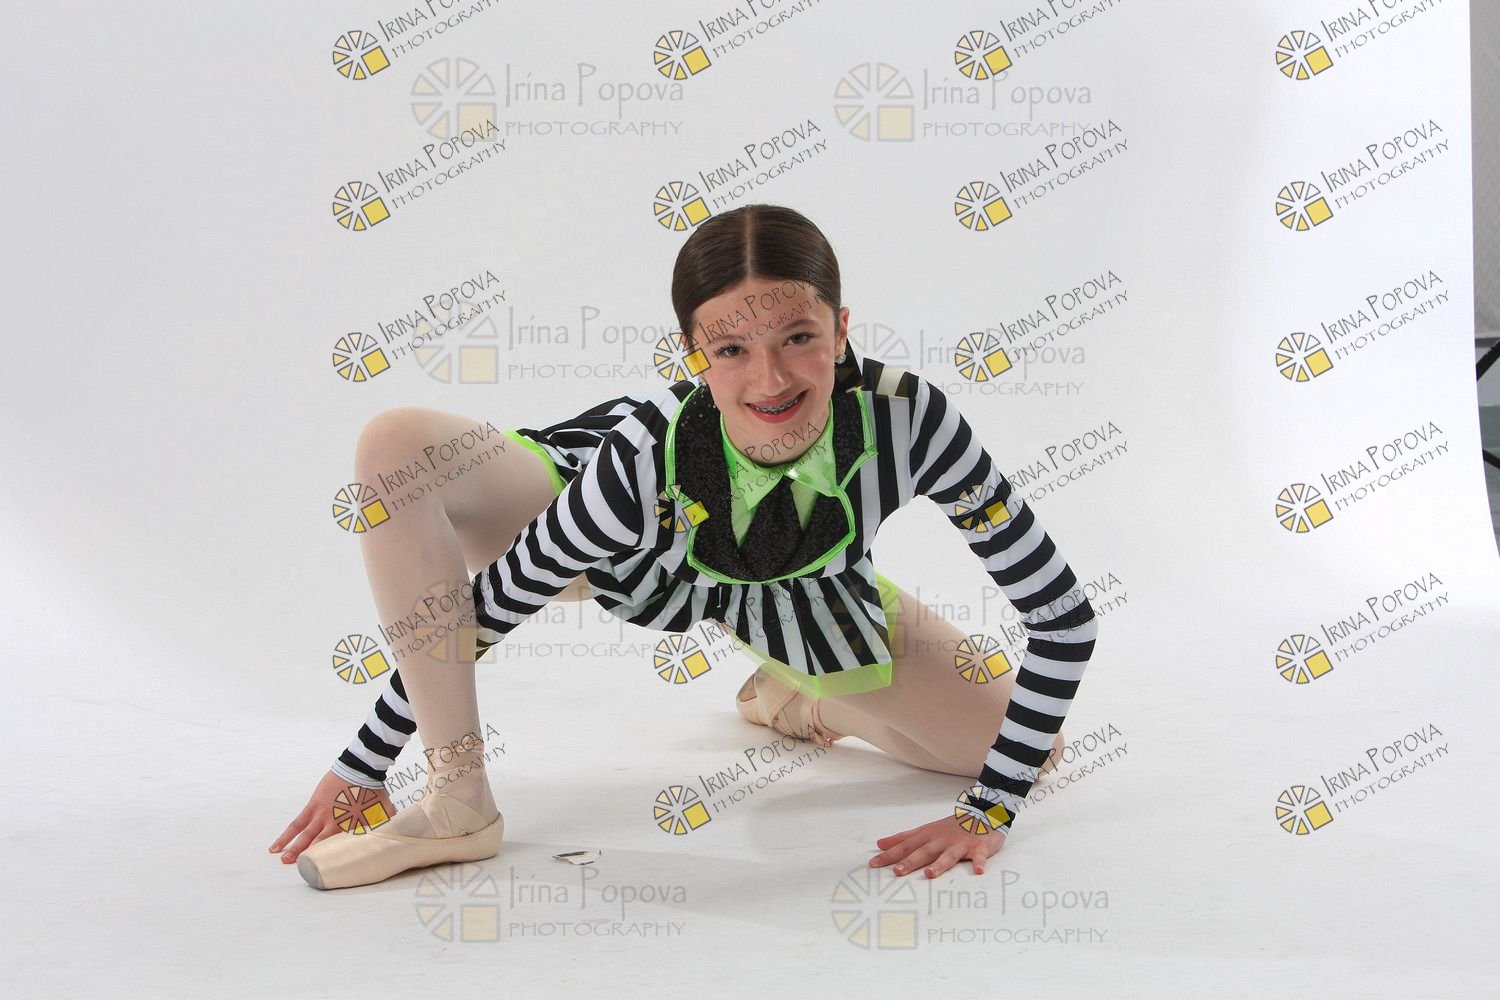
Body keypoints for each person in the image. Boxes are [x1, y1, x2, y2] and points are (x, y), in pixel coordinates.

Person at [269, 204, 1099, 889]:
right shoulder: (639, 461)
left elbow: (1063, 618)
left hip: (799, 586)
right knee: (398, 444)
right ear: (694, 355)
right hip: (614, 548)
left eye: (798, 337)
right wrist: (364, 765)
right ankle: (459, 803)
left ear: (842, 329)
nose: (770, 380)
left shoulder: (911, 419)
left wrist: (989, 809)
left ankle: (804, 695)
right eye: (732, 350)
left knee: (1031, 752)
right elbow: (487, 610)